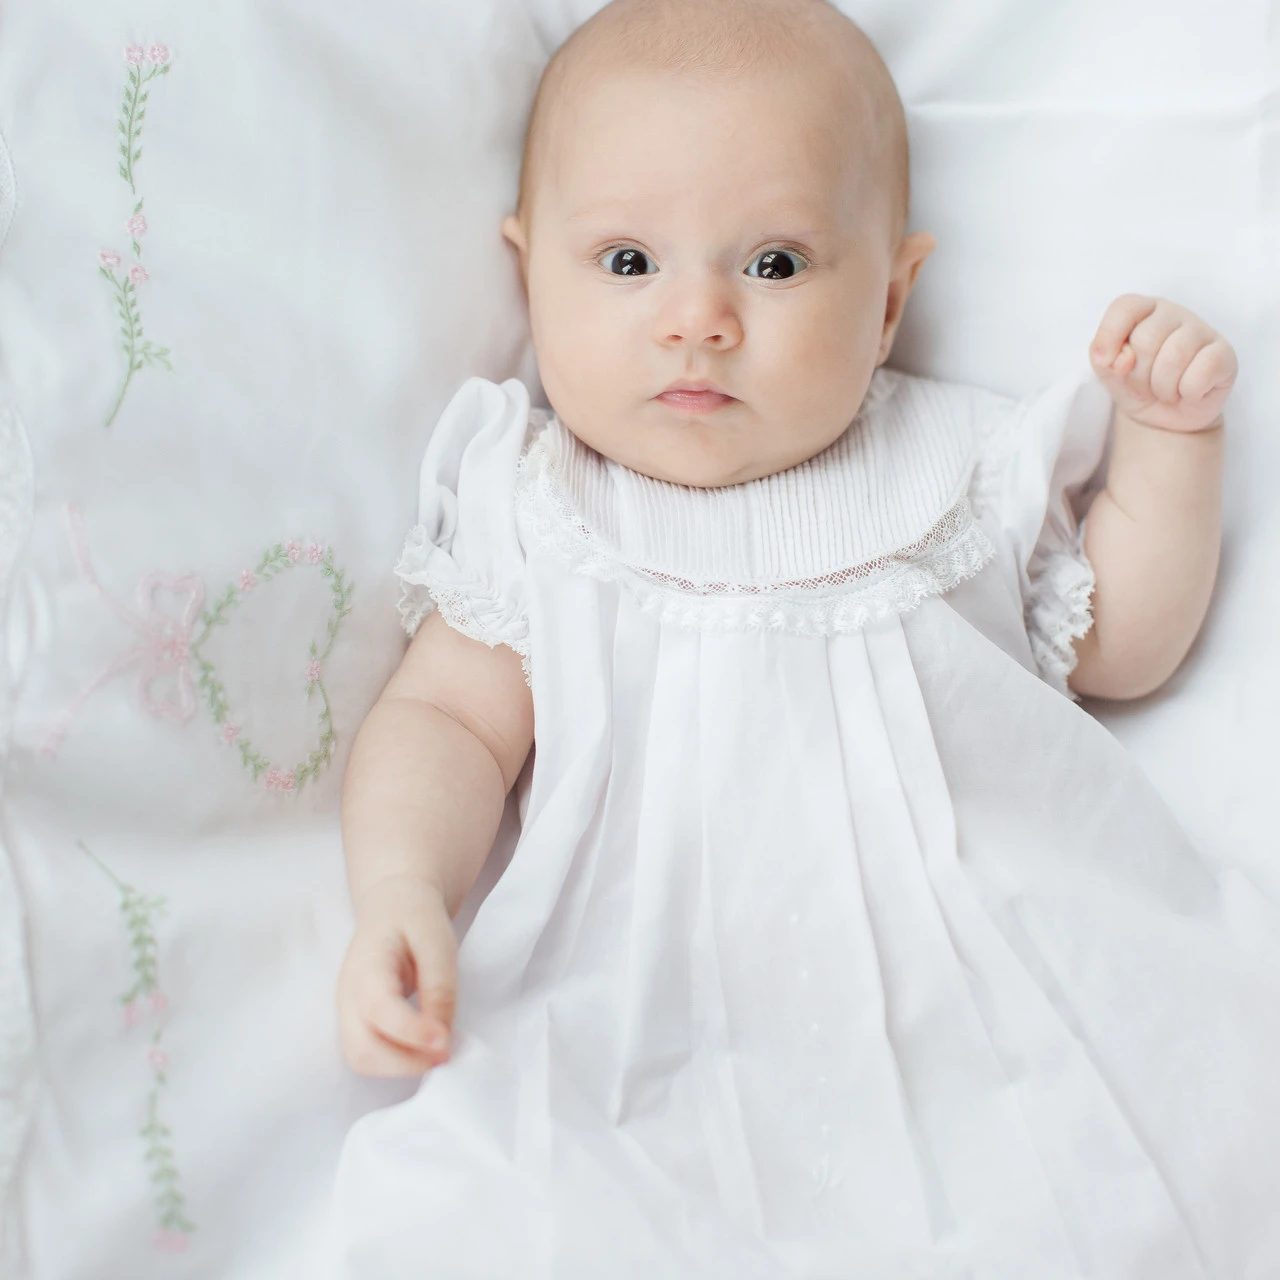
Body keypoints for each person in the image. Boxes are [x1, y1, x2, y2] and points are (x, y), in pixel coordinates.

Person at [323, 1, 1280, 1274]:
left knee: (1120, 1170)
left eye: (773, 264)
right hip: (641, 1011)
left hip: (996, 973)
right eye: (625, 263)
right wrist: (401, 888)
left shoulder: (960, 466)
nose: (697, 318)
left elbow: (1121, 647)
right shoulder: (539, 504)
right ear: (526, 271)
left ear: (888, 301)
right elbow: (442, 721)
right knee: (530, 1206)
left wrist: (1166, 447)